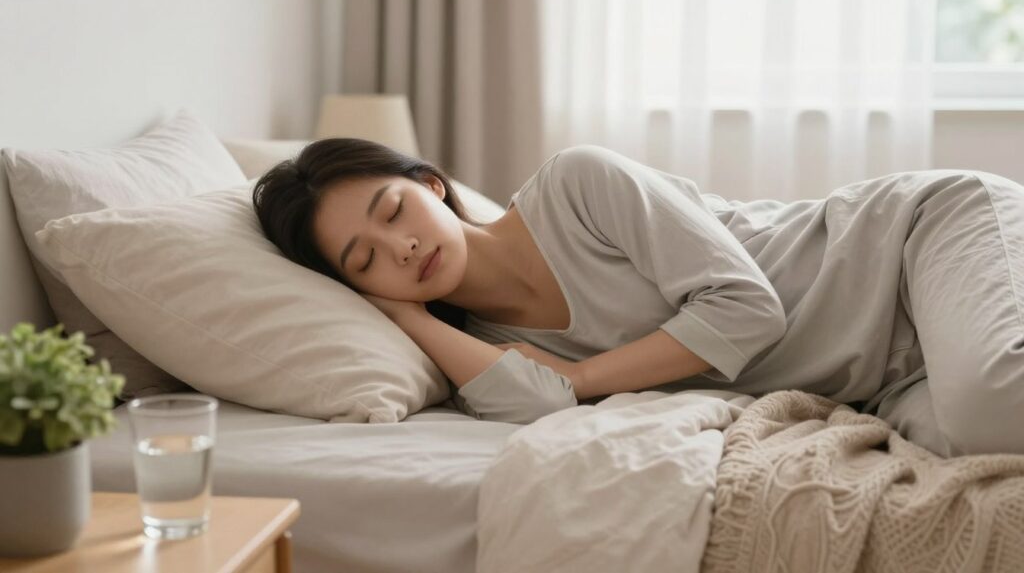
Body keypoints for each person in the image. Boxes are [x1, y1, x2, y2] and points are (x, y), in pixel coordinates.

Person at [252, 137, 1024, 458]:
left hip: (908, 249)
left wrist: (588, 376)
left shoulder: (576, 184)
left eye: (394, 213)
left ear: (430, 184)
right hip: (888, 381)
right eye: (366, 260)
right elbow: (542, 407)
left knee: (995, 401)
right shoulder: (477, 343)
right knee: (978, 446)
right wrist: (403, 313)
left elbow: (747, 309)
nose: (402, 247)